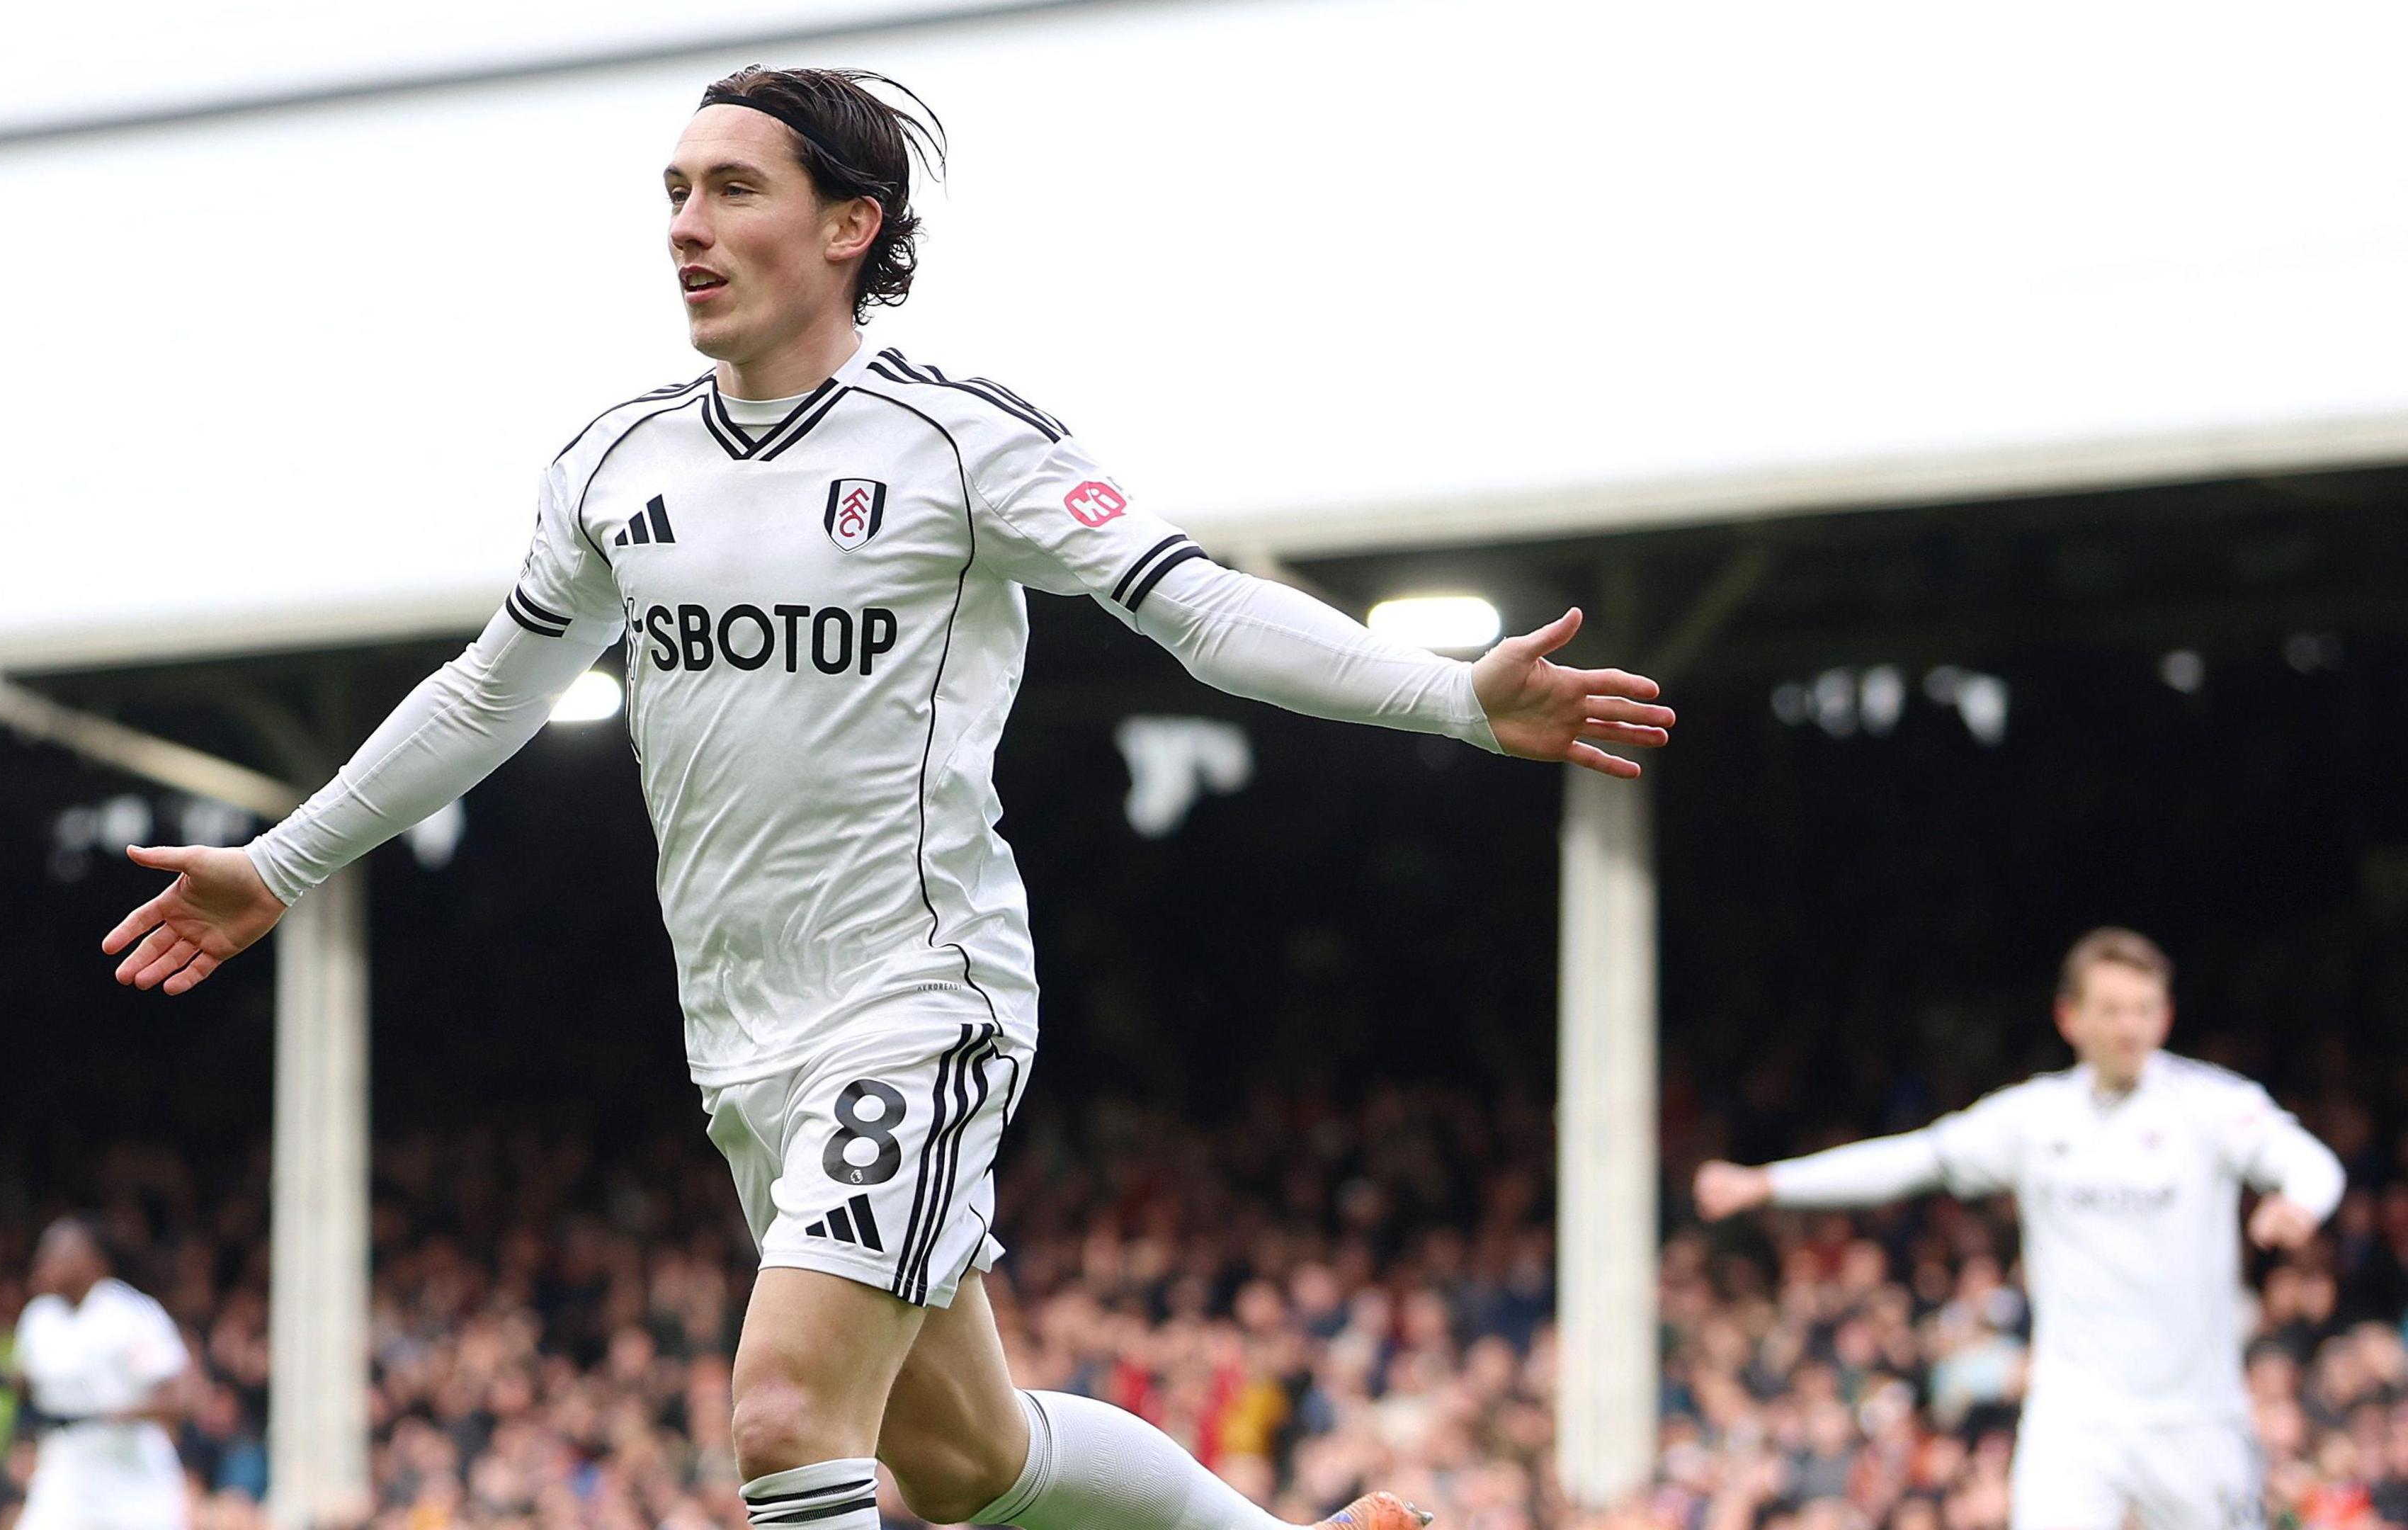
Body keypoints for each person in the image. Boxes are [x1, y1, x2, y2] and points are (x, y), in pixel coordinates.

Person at [101, 66, 1672, 1530]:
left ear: (850, 226)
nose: (686, 230)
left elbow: (1195, 607)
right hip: (741, 1037)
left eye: (731, 191)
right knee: (964, 1455)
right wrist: (284, 865)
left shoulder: (959, 440)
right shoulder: (611, 464)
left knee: (788, 1413)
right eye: (672, 192)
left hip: (915, 998)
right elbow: (489, 690)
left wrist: (1451, 700)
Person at [1693, 927, 2345, 1530]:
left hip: (2196, 1419)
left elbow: (2310, 1161)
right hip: (2075, 1416)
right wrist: (1771, 1182)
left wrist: (2302, 1203)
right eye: (2112, 1009)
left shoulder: (2211, 1106)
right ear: (2071, 1017)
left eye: (2144, 1009)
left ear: (2165, 1016)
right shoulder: (2036, 1118)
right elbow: (1914, 1158)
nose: (2130, 1026)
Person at [11, 1218, 195, 1530]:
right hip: (67, 1467)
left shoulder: (129, 1313)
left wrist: (116, 1414)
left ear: (92, 1261)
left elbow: (184, 1399)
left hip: (131, 1472)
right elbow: (28, 1391)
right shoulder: (38, 1318)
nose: (43, 1262)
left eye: (57, 1254)